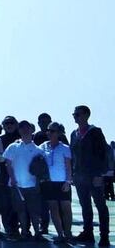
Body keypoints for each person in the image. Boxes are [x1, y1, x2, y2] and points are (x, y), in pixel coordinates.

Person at [70, 105, 110, 246]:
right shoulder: (74, 134)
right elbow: (73, 155)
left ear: (86, 115)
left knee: (100, 205)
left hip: (94, 175)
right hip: (80, 176)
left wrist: (100, 174)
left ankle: (104, 235)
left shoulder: (95, 132)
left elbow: (103, 153)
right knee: (85, 205)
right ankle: (88, 233)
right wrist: (73, 174)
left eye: (78, 114)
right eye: (74, 114)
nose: (75, 116)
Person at [3, 120, 44, 241]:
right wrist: (13, 179)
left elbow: (41, 170)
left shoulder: (38, 150)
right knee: (20, 210)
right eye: (22, 128)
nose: (25, 130)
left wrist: (38, 184)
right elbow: (8, 164)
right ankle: (24, 232)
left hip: (32, 186)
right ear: (19, 130)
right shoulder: (13, 147)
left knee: (34, 211)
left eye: (27, 128)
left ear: (32, 130)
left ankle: (37, 233)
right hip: (17, 185)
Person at [39, 122, 73, 243]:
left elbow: (68, 166)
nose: (49, 133)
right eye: (48, 130)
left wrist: (68, 182)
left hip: (62, 181)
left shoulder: (65, 148)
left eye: (52, 131)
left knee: (66, 208)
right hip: (48, 182)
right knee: (53, 208)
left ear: (58, 133)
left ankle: (68, 232)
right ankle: (60, 234)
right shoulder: (43, 146)